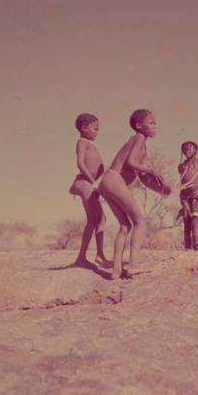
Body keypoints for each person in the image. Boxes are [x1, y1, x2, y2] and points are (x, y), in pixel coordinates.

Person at [98, 109, 165, 279]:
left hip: (107, 182)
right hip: (115, 180)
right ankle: (133, 265)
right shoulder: (139, 138)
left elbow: (136, 170)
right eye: (151, 123)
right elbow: (131, 162)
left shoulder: (137, 140)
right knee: (140, 221)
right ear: (139, 126)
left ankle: (116, 269)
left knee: (124, 226)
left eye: (155, 123)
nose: (155, 127)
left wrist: (155, 182)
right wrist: (151, 170)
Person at [68, 113, 108, 266]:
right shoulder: (82, 142)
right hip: (86, 183)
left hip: (92, 184)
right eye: (95, 129)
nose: (97, 132)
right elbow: (80, 163)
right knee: (94, 219)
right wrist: (93, 182)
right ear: (84, 128)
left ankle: (99, 255)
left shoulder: (90, 143)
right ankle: (82, 258)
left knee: (101, 219)